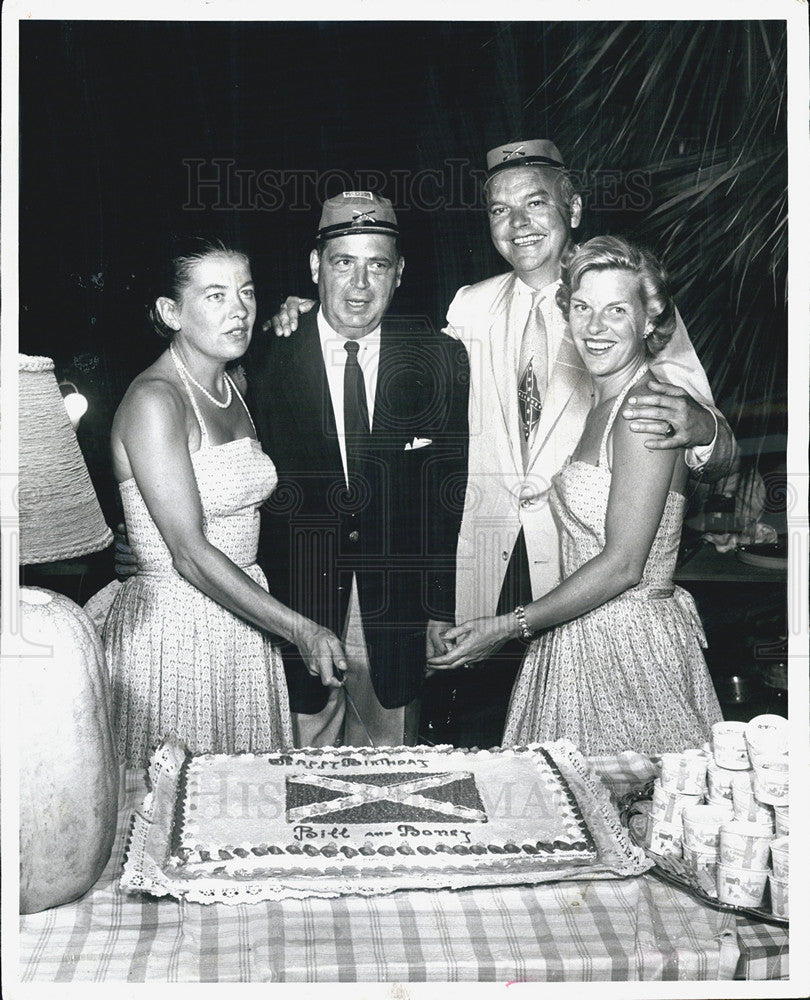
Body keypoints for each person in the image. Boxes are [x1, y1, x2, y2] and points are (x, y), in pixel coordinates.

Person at [269, 139, 737, 746]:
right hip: (482, 577)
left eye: (534, 203)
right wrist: (305, 320)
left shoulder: (624, 302)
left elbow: (714, 442)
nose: (517, 224)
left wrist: (706, 430)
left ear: (572, 208)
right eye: (498, 210)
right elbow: (378, 356)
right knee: (490, 752)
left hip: (580, 579)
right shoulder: (471, 306)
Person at [430, 236, 724, 755]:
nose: (593, 327)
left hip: (630, 651)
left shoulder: (643, 412)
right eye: (583, 308)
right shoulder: (604, 402)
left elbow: (623, 565)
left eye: (616, 311)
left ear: (650, 321)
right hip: (578, 637)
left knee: (627, 815)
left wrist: (506, 625)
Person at [104, 237, 346, 768]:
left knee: (242, 809)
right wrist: (298, 628)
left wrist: (304, 313)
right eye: (215, 296)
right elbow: (187, 552)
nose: (238, 310)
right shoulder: (155, 400)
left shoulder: (233, 382)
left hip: (241, 616)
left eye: (247, 293)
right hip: (176, 631)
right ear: (171, 311)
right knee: (170, 813)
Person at [245, 193, 468, 747]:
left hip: (398, 623)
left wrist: (441, 608)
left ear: (399, 275)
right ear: (316, 266)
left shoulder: (438, 359)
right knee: (295, 793)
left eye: (378, 265)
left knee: (395, 789)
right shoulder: (263, 356)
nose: (360, 285)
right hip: (291, 617)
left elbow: (449, 494)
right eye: (344, 262)